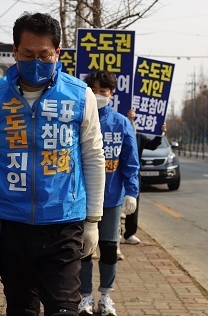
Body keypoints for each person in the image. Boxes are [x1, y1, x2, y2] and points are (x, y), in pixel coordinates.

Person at [0, 12, 105, 316]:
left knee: (64, 309)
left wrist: (93, 220)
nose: (36, 61)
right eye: (27, 54)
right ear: (15, 52)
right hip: (10, 224)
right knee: (21, 309)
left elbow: (93, 157)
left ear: (58, 52)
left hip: (64, 223)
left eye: (44, 54)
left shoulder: (81, 96)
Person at [78, 72, 140, 316]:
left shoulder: (122, 123)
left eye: (103, 91)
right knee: (84, 248)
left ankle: (105, 296)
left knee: (108, 247)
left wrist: (131, 192)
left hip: (112, 199)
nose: (98, 95)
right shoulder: (81, 121)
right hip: (82, 199)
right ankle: (84, 297)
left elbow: (130, 162)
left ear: (112, 93)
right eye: (94, 90)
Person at [122, 109, 166, 245]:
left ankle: (129, 234)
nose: (131, 116)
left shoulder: (139, 136)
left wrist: (161, 133)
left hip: (134, 174)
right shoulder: (116, 129)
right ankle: (111, 235)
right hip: (115, 172)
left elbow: (152, 146)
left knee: (133, 203)